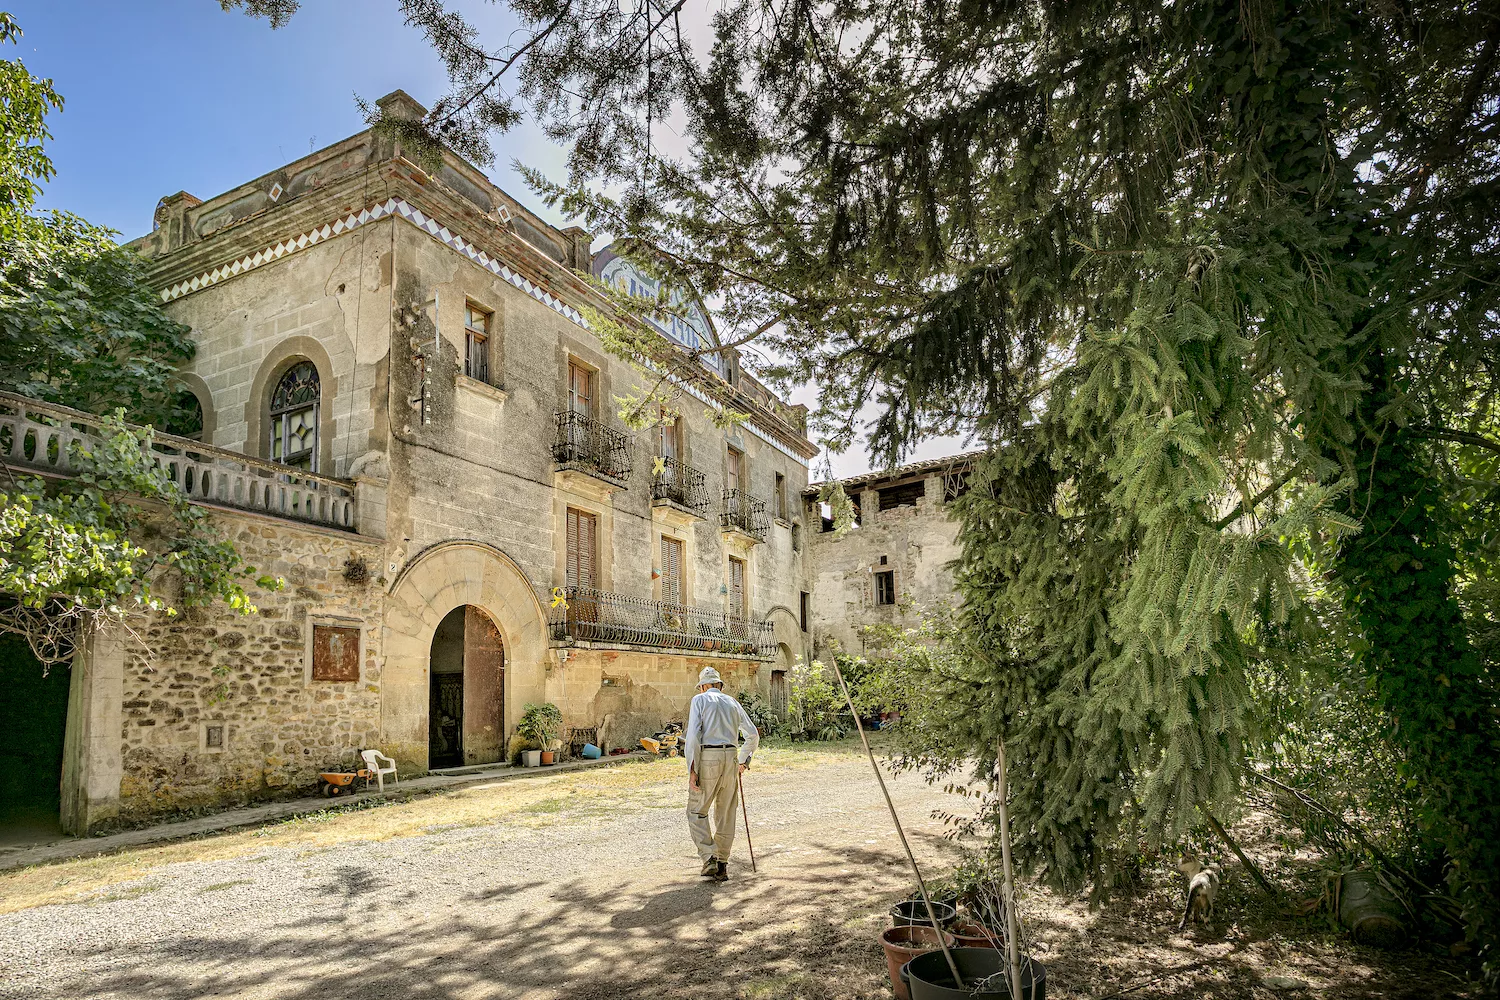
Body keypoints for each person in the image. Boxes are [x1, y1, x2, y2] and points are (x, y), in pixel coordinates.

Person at [684, 665, 760, 881]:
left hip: (709, 757)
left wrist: (692, 769)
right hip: (731, 757)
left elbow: (693, 737)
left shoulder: (699, 700)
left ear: (704, 686)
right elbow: (752, 735)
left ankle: (709, 858)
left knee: (696, 811)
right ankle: (723, 863)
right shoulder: (733, 702)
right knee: (726, 813)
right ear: (719, 685)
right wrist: (743, 761)